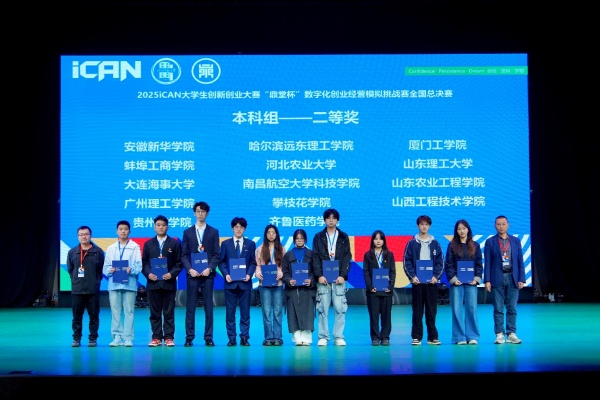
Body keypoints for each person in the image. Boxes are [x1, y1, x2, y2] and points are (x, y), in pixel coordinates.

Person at [181, 201, 221, 347]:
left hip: (207, 275)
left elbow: (216, 255)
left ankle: (208, 337)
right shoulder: (187, 232)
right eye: (198, 211)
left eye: (203, 211)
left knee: (208, 307)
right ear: (194, 213)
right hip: (192, 274)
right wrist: (190, 269)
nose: (200, 214)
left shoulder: (213, 232)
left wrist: (209, 268)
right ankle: (189, 337)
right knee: (190, 307)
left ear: (207, 214)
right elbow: (184, 255)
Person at [312, 208, 352, 346]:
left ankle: (338, 337)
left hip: (338, 279)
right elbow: (315, 257)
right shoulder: (318, 237)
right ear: (324, 220)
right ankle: (323, 336)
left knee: (340, 308)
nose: (331, 220)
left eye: (333, 218)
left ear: (337, 220)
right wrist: (319, 275)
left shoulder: (343, 237)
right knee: (322, 308)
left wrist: (343, 275)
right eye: (328, 218)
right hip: (323, 279)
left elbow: (347, 257)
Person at [142, 215, 184, 347]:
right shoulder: (148, 244)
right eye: (158, 225)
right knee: (154, 312)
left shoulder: (174, 243)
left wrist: (171, 274)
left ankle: (169, 337)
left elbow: (179, 263)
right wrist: (149, 274)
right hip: (153, 283)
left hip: (168, 283)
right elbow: (144, 263)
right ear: (154, 227)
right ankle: (156, 337)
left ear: (167, 227)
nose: (161, 227)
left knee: (168, 312)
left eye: (163, 225)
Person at [484, 215, 526, 344]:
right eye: (498, 224)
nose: (501, 226)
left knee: (512, 307)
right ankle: (499, 334)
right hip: (497, 278)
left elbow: (520, 261)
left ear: (508, 225)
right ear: (495, 226)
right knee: (498, 308)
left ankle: (511, 334)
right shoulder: (490, 242)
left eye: (503, 224)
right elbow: (488, 262)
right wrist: (487, 280)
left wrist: (521, 278)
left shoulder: (516, 241)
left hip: (513, 278)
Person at [403, 215, 444, 346]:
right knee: (417, 311)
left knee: (431, 311)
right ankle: (416, 337)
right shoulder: (411, 243)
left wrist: (436, 277)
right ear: (418, 226)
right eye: (422, 224)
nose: (424, 226)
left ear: (429, 226)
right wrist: (412, 277)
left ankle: (432, 337)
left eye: (426, 224)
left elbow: (440, 263)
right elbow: (407, 262)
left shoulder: (435, 243)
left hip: (431, 283)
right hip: (417, 283)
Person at [103, 220, 143, 347]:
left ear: (129, 231)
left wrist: (132, 269)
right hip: (114, 284)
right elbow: (105, 267)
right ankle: (117, 337)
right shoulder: (111, 248)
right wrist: (110, 270)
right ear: (117, 231)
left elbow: (139, 266)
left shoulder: (135, 247)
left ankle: (128, 338)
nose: (123, 231)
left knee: (129, 311)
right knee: (115, 311)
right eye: (120, 229)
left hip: (129, 284)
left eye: (125, 229)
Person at [218, 217, 257, 346]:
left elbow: (253, 262)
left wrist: (249, 274)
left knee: (245, 313)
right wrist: (226, 274)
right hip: (230, 283)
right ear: (232, 228)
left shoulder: (250, 244)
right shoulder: (226, 244)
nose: (239, 229)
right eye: (236, 227)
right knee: (230, 313)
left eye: (241, 227)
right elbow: (221, 262)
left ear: (244, 229)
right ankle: (232, 338)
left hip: (245, 283)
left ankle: (244, 337)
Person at [444, 219, 483, 345]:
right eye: (459, 229)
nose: (462, 231)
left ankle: (472, 336)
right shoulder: (452, 246)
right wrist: (453, 279)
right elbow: (449, 264)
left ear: (468, 230)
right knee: (456, 309)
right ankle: (459, 337)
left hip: (471, 283)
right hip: (457, 283)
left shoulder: (475, 245)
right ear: (456, 231)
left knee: (472, 308)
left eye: (464, 228)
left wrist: (476, 278)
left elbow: (479, 264)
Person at [66, 225, 105, 347]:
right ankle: (76, 338)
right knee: (76, 317)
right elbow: (70, 270)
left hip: (92, 290)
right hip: (77, 290)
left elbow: (101, 270)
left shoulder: (98, 252)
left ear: (90, 235)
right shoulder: (72, 252)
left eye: (86, 234)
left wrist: (95, 282)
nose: (84, 236)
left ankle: (93, 338)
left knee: (94, 316)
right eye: (81, 234)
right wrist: (76, 281)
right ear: (78, 237)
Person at [281, 229, 316, 346]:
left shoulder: (311, 254)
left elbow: (315, 271)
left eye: (301, 238)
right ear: (294, 240)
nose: (299, 240)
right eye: (297, 238)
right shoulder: (288, 255)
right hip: (292, 290)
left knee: (308, 313)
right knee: (293, 313)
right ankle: (297, 338)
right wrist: (288, 280)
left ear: (305, 239)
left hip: (307, 289)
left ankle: (306, 339)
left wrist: (310, 280)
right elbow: (285, 272)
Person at [362, 230, 396, 346]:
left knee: (386, 316)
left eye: (380, 239)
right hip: (373, 291)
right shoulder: (368, 255)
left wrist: (390, 286)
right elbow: (366, 272)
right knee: (374, 316)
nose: (378, 241)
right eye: (376, 239)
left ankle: (385, 337)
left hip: (386, 291)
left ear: (384, 241)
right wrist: (370, 286)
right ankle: (375, 337)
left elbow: (392, 271)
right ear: (372, 240)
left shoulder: (389, 255)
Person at [255, 224, 286, 346]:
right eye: (269, 232)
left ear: (276, 234)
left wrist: (281, 272)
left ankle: (277, 337)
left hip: (278, 284)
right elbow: (258, 265)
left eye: (273, 232)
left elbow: (284, 265)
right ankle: (268, 337)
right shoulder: (260, 249)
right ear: (266, 234)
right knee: (266, 311)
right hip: (264, 284)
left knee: (277, 311)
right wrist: (258, 273)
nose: (271, 234)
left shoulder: (281, 249)